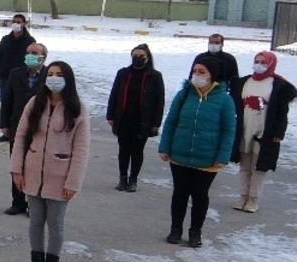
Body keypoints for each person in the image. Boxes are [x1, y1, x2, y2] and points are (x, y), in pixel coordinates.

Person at [10, 61, 90, 262]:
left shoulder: (77, 109)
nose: (54, 78)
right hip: (33, 172)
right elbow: (21, 137)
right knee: (35, 222)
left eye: (59, 74)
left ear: (68, 79)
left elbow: (81, 150)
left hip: (60, 176)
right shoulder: (35, 104)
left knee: (55, 223)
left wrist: (73, 181)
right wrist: (17, 169)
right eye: (51, 74)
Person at [158, 60, 236, 248]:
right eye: (195, 71)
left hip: (207, 158)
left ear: (212, 75)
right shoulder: (184, 95)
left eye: (202, 71)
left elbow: (229, 130)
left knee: (200, 195)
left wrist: (222, 157)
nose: (197, 74)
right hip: (180, 155)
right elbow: (171, 122)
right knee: (180, 194)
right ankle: (175, 230)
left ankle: (195, 232)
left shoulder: (224, 100)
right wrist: (165, 146)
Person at [229, 51, 295, 213]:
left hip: (264, 132)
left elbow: (281, 112)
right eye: (256, 61)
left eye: (263, 62)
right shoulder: (244, 82)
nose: (259, 64)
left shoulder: (277, 85)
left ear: (271, 64)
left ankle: (253, 199)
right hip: (245, 129)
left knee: (258, 168)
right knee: (244, 167)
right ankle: (242, 196)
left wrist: (279, 133)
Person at [105, 44, 165, 192]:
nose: (137, 59)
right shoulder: (123, 73)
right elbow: (114, 94)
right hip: (123, 118)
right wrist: (110, 115)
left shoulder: (155, 76)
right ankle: (122, 179)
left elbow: (160, 101)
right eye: (135, 56)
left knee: (137, 151)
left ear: (147, 58)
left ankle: (133, 180)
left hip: (143, 120)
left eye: (141, 56)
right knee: (123, 150)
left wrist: (156, 123)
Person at [0, 42, 48, 215]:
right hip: (17, 127)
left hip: (41, 129)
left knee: (36, 168)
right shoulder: (16, 74)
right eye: (28, 52)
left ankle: (34, 205)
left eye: (34, 53)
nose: (30, 55)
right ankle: (18, 202)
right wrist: (4, 124)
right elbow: (7, 101)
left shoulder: (50, 76)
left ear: (43, 57)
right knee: (17, 165)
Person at [0, 14, 35, 141]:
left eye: (19, 22)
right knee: (6, 103)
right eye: (14, 21)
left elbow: (32, 60)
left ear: (24, 24)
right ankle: (7, 132)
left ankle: (21, 132)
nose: (16, 24)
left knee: (20, 105)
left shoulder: (30, 41)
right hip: (5, 78)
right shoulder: (5, 39)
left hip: (21, 79)